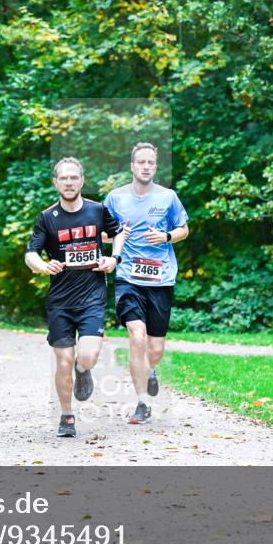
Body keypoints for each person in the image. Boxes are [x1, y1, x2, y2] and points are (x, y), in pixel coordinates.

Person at [25, 157, 128, 437]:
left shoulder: (97, 211)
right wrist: (43, 266)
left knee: (88, 356)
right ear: (55, 182)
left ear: (82, 181)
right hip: (60, 301)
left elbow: (118, 233)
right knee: (63, 361)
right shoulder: (47, 218)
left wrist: (114, 259)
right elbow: (30, 253)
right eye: (63, 178)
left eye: (74, 178)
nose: (69, 182)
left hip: (92, 297)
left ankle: (84, 371)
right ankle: (67, 416)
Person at [104, 142, 189, 425]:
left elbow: (184, 230)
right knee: (136, 337)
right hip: (128, 277)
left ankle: (150, 370)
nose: (146, 167)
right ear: (132, 165)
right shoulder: (116, 198)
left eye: (151, 163)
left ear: (156, 166)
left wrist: (165, 237)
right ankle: (142, 403)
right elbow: (101, 234)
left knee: (154, 349)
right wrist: (118, 235)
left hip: (161, 279)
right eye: (141, 162)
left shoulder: (168, 197)